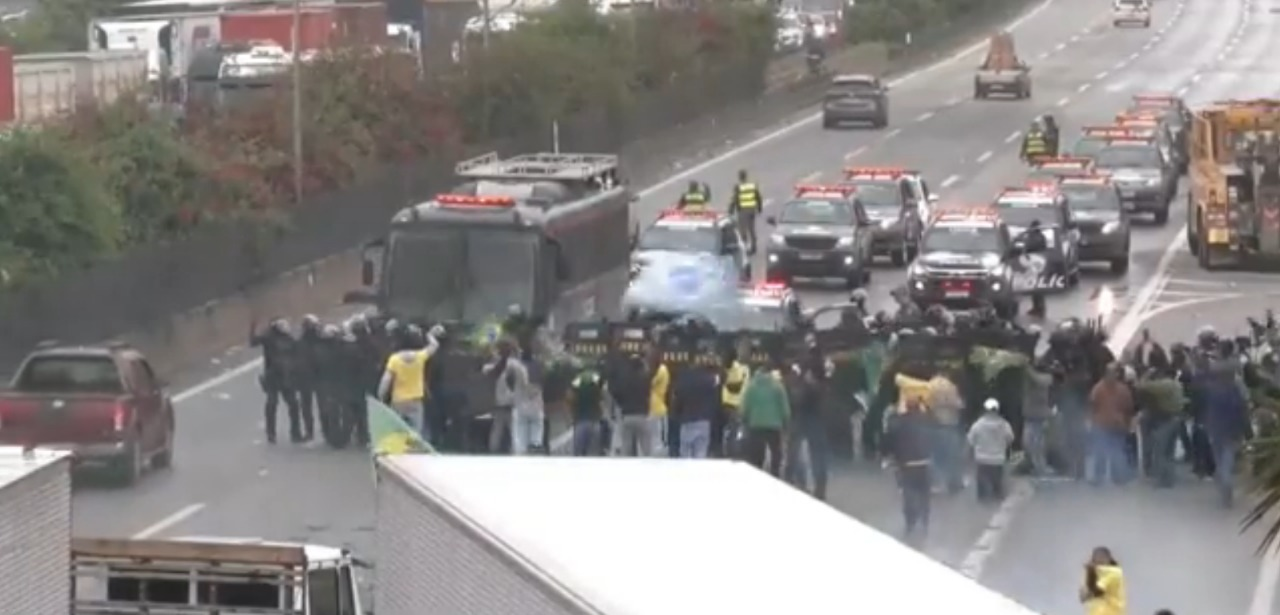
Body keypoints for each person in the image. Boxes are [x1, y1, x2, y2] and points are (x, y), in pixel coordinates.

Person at [378, 324, 442, 437]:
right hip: (415, 401)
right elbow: (434, 345)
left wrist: (381, 397)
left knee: (397, 431)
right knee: (416, 432)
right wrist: (429, 335)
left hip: (398, 401)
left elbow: (386, 381)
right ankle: (413, 451)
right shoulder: (420, 356)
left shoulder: (394, 359)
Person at [884, 398, 935, 541]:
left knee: (908, 493)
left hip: (906, 464)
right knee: (924, 494)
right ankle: (925, 521)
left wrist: (889, 456)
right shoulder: (926, 420)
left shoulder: (898, 422)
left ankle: (910, 522)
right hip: (925, 463)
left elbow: (889, 439)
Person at [785, 350, 830, 499]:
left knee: (797, 453)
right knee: (815, 457)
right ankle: (817, 489)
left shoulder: (805, 384)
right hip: (815, 423)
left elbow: (796, 400)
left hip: (804, 422)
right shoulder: (821, 384)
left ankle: (799, 483)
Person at [250, 318, 303, 444]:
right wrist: (253, 329)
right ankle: (271, 433)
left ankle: (295, 433)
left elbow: (298, 355)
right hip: (273, 377)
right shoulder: (269, 338)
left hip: (287, 377)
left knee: (293, 405)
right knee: (272, 404)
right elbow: (253, 342)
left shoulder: (290, 340)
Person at [1087, 364, 1135, 486]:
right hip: (1113, 424)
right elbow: (1129, 408)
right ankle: (1116, 477)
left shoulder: (1098, 388)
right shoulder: (1122, 389)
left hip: (1105, 424)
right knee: (1113, 451)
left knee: (1105, 451)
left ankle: (1103, 477)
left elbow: (1092, 405)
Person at [741, 359, 790, 476]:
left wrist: (745, 421)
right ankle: (775, 476)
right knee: (776, 455)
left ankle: (758, 478)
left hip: (756, 426)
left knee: (756, 457)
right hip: (774, 426)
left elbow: (744, 408)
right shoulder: (778, 386)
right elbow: (785, 410)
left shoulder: (751, 387)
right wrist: (786, 424)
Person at [927, 370, 966, 494]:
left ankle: (936, 483)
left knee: (934, 455)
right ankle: (954, 483)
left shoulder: (928, 385)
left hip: (932, 424)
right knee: (952, 456)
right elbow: (958, 404)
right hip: (949, 424)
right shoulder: (950, 386)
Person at [968, 398, 1015, 502]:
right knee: (997, 486)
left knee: (981, 485)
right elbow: (1010, 439)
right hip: (998, 459)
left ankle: (983, 500)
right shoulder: (1004, 425)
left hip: (981, 459)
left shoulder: (978, 425)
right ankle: (997, 496)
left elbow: (970, 441)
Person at [675, 352, 720, 458]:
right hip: (703, 420)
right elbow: (718, 381)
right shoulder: (708, 378)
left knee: (685, 455)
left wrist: (677, 415)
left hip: (687, 421)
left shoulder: (684, 380)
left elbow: (678, 399)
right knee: (700, 454)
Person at [611, 354, 654, 456]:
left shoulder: (624, 380)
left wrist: (621, 404)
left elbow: (615, 393)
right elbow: (649, 392)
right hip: (642, 416)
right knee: (646, 450)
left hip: (627, 416)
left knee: (627, 449)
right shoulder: (644, 380)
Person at [715, 348, 750, 458]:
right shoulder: (729, 368)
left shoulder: (735, 368)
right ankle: (727, 453)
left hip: (733, 405)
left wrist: (724, 380)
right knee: (730, 432)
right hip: (728, 404)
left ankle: (732, 454)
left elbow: (736, 387)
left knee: (733, 432)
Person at [1022, 364, 1055, 478]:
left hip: (1040, 418)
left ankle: (1041, 467)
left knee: (1039, 445)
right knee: (1028, 443)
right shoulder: (1031, 380)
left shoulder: (1046, 377)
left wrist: (1027, 367)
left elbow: (1039, 380)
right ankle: (1033, 466)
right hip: (1030, 417)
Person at [569, 360, 608, 456]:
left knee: (578, 453)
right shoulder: (597, 378)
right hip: (595, 419)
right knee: (593, 454)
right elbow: (604, 394)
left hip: (580, 419)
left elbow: (570, 396)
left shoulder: (577, 379)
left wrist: (571, 412)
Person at [296, 314, 323, 441]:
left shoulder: (302, 343)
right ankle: (310, 430)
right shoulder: (303, 343)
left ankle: (311, 431)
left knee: (317, 406)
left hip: (314, 377)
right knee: (310, 406)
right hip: (309, 378)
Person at [1079, 546, 1126, 615]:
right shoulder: (1093, 573)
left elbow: (1097, 592)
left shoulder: (1115, 573)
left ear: (1109, 560)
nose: (1099, 562)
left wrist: (1091, 573)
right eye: (1097, 559)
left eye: (1102, 559)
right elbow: (1083, 597)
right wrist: (1090, 574)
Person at [1018, 219, 1049, 318]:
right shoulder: (1039, 237)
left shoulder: (1036, 238)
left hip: (1035, 263)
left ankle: (1039, 308)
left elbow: (1029, 248)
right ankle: (1037, 307)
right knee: (1035, 287)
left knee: (1037, 288)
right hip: (1035, 263)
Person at [647, 347, 674, 457]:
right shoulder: (654, 369)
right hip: (650, 409)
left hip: (658, 408)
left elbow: (650, 383)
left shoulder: (662, 370)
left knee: (658, 440)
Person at [729, 169, 763, 254]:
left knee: (743, 230)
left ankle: (745, 248)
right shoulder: (752, 185)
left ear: (739, 177)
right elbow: (758, 197)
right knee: (751, 229)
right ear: (746, 176)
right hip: (752, 209)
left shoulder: (738, 187)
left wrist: (731, 209)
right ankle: (754, 246)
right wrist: (759, 208)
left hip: (743, 210)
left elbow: (735, 199)